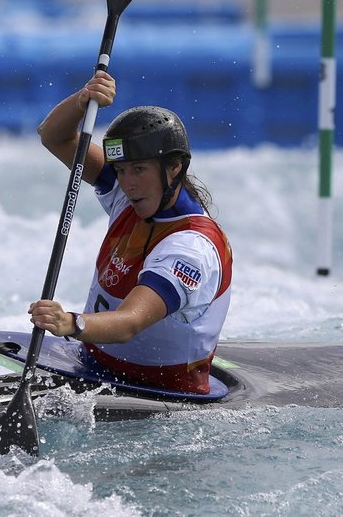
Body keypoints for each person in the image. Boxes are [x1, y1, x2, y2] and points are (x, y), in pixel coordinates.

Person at [30, 71, 233, 394]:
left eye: (139, 170)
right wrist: (83, 100)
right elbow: (54, 137)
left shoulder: (191, 249)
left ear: (174, 167)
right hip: (92, 365)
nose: (127, 183)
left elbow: (128, 323)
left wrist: (70, 323)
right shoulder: (132, 194)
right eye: (121, 170)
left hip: (160, 393)